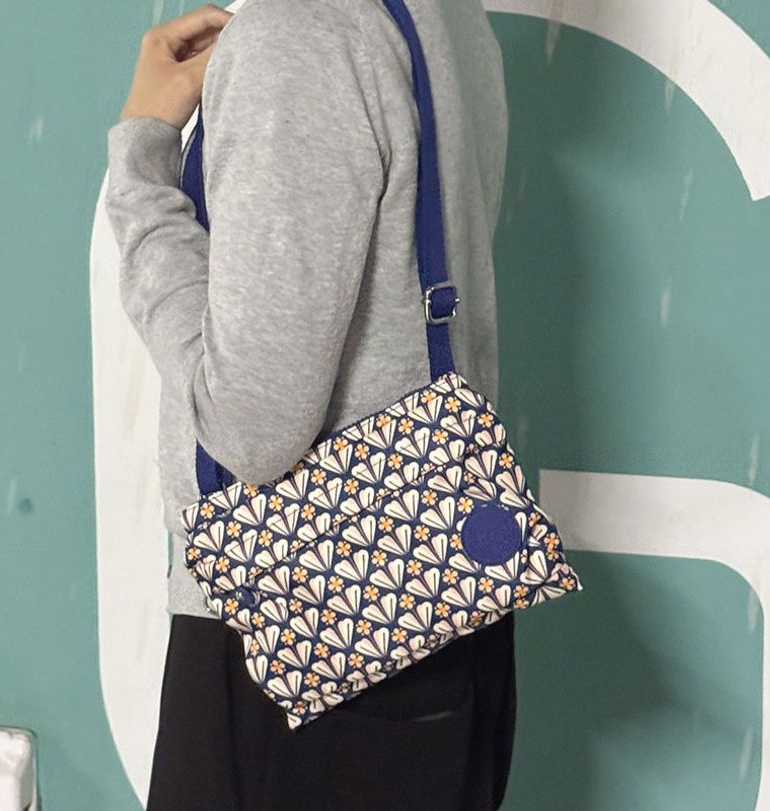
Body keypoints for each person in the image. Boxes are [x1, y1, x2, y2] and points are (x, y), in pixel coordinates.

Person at [105, 1, 514, 808]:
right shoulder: (448, 17)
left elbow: (251, 429)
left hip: (295, 632)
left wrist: (143, 161)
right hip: (443, 598)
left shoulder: (304, 31)